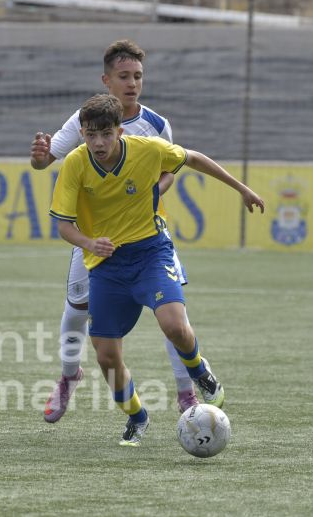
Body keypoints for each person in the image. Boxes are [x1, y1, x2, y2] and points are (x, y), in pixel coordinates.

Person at [50, 93, 264, 446]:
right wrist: (89, 243)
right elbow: (63, 225)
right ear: (83, 134)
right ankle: (137, 416)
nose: (98, 143)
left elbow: (193, 158)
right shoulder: (75, 163)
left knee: (175, 326)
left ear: (119, 130)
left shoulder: (147, 148)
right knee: (106, 357)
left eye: (105, 134)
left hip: (151, 252)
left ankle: (199, 372)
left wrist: (242, 189)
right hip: (105, 265)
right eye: (90, 135)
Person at [30, 39, 200, 422]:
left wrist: (149, 191)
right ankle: (69, 375)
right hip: (96, 238)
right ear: (107, 80)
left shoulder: (156, 125)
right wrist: (39, 159)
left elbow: (170, 168)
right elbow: (48, 158)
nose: (132, 83)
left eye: (138, 76)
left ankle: (186, 391)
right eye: (124, 76)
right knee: (77, 308)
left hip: (147, 236)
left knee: (170, 315)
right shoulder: (85, 119)